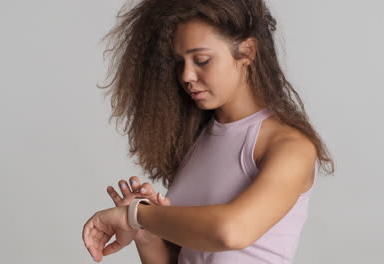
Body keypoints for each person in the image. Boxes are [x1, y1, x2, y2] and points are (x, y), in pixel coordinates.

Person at [82, 0, 335, 263]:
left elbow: (232, 231)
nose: (186, 75)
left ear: (247, 51)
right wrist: (144, 230)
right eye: (180, 62)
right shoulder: (198, 139)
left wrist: (136, 215)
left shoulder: (290, 146)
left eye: (201, 60)